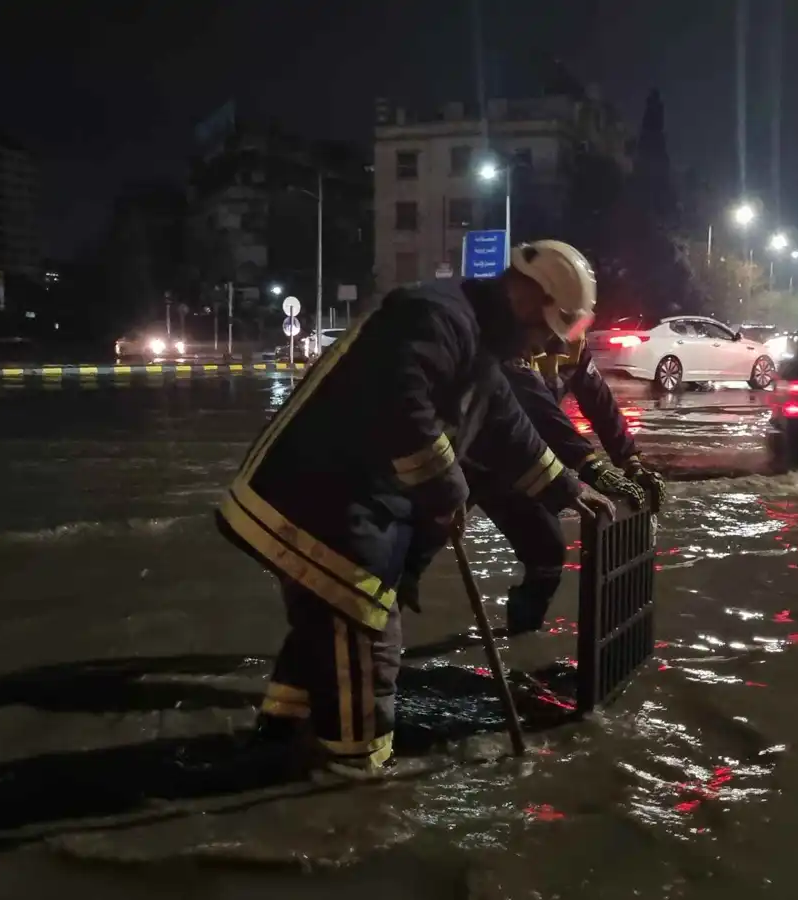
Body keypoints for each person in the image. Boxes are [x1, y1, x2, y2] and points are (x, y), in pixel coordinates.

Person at [217, 239, 617, 777]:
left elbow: (507, 431)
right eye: (551, 327)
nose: (548, 344)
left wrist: (569, 489)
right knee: (367, 638)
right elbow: (403, 404)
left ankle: (279, 738)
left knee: (325, 627)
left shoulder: (475, 342)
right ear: (527, 295)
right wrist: (446, 492)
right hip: (320, 505)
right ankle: (354, 780)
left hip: (338, 505)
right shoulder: (434, 316)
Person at [397, 333, 669, 635]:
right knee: (412, 548)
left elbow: (599, 401)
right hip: (469, 458)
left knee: (547, 552)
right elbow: (540, 413)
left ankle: (521, 639)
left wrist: (629, 459)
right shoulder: (518, 339)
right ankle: (379, 625)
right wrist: (590, 467)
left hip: (524, 463)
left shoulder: (573, 347)